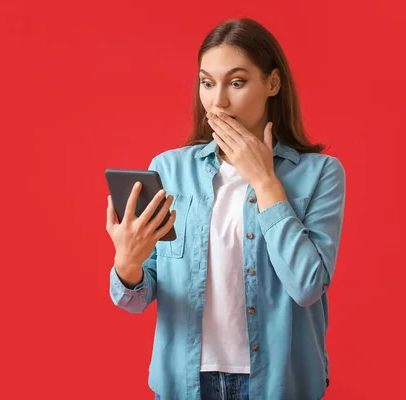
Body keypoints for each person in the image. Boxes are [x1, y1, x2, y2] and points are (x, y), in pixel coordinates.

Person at [106, 18, 346, 400]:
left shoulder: (320, 174)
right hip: (183, 384)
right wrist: (128, 264)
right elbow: (133, 299)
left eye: (236, 82)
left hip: (280, 384)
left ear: (272, 83)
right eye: (207, 82)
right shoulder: (168, 169)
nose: (218, 101)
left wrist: (265, 182)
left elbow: (307, 286)